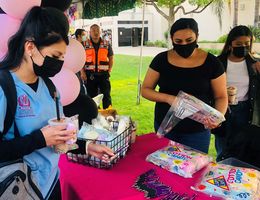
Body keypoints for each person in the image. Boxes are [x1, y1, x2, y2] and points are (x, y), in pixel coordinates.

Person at [0, 7, 114, 200]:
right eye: (55, 56)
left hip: (51, 184)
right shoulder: (5, 87)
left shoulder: (49, 86)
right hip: (19, 188)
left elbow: (57, 135)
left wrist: (86, 147)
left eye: (63, 57)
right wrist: (40, 139)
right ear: (30, 48)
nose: (60, 64)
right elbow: (43, 138)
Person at [141, 18, 228, 154]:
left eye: (189, 40)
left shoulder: (212, 63)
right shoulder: (161, 60)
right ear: (171, 39)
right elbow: (145, 90)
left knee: (194, 169)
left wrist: (218, 116)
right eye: (178, 41)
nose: (184, 44)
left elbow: (221, 96)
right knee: (163, 168)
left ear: (197, 37)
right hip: (165, 128)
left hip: (197, 131)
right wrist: (170, 99)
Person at [214, 25, 260, 161]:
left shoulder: (254, 64)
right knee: (222, 146)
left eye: (247, 43)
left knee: (242, 147)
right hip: (223, 109)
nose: (243, 47)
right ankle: (220, 170)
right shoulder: (218, 62)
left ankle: (237, 174)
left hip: (245, 110)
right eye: (239, 44)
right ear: (230, 44)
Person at [80, 24, 114, 109]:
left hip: (104, 75)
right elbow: (80, 59)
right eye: (93, 30)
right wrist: (82, 72)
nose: (96, 32)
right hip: (90, 75)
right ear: (90, 32)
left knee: (106, 96)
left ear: (100, 32)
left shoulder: (106, 44)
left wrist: (109, 70)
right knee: (92, 98)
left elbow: (111, 58)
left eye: (97, 30)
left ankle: (108, 114)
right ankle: (94, 115)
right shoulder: (84, 44)